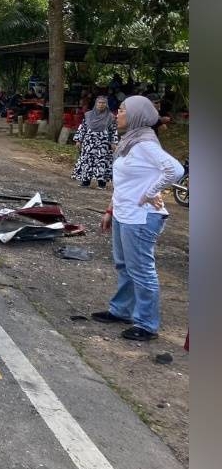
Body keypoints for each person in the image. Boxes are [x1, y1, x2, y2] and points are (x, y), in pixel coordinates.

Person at [91, 95, 183, 341]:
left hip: (141, 218)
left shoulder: (144, 144)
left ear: (135, 115)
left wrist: (152, 192)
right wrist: (110, 209)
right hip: (124, 213)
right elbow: (124, 183)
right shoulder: (129, 142)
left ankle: (146, 324)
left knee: (141, 270)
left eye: (121, 110)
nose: (116, 114)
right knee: (125, 266)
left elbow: (176, 170)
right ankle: (121, 310)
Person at [72, 95, 118, 188]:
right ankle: (85, 181)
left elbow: (113, 130)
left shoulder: (111, 117)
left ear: (106, 104)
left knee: (102, 162)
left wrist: (113, 142)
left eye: (103, 103)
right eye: (99, 103)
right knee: (87, 161)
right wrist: (79, 140)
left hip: (103, 144)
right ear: (96, 104)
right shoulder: (88, 115)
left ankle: (101, 183)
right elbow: (83, 128)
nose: (101, 105)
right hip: (89, 142)